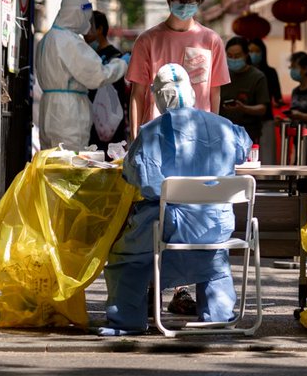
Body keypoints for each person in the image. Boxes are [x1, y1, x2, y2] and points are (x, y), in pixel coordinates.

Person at [100, 64, 252, 336]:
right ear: (191, 92)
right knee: (214, 259)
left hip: (167, 226)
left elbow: (141, 179)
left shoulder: (151, 132)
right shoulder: (225, 126)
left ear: (157, 96)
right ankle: (218, 318)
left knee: (127, 257)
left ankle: (128, 321)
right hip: (216, 226)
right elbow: (243, 148)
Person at [125, 0, 230, 138]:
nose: (186, 7)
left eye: (191, 2)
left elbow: (214, 93)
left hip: (198, 135)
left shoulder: (212, 40)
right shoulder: (146, 41)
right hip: (156, 135)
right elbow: (137, 93)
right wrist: (135, 138)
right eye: (180, 2)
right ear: (168, 0)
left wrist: (212, 134)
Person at [35, 0, 127, 150]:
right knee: (69, 166)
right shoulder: (69, 41)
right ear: (77, 15)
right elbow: (98, 76)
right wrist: (122, 64)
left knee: (50, 164)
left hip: (48, 110)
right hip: (68, 114)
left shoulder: (47, 39)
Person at [86, 10, 129, 147]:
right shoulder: (86, 57)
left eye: (88, 29)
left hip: (112, 125)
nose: (84, 35)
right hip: (91, 125)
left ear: (99, 29)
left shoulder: (116, 58)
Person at [219, 36, 271, 147]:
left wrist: (243, 108)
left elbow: (262, 108)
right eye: (229, 56)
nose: (233, 59)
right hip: (223, 132)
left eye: (237, 56)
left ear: (246, 55)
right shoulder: (221, 74)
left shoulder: (257, 77)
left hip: (249, 133)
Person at [247, 38, 284, 109]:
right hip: (246, 114)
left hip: (266, 114)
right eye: (251, 51)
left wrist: (278, 103)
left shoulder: (271, 72)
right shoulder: (244, 73)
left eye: (257, 51)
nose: (254, 54)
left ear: (263, 53)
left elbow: (278, 97)